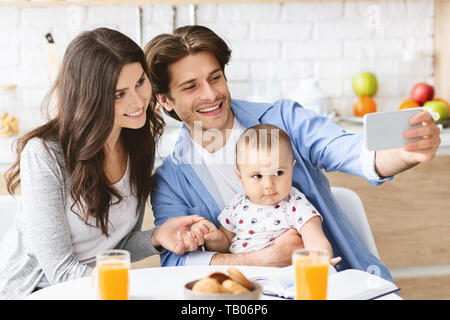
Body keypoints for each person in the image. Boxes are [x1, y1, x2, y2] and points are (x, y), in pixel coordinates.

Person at [144, 25, 441, 281]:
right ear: (165, 100)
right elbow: (178, 261)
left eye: (215, 77)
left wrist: (405, 153)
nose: (210, 94)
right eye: (191, 86)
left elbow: (346, 150)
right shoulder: (171, 179)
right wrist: (264, 259)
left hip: (324, 284)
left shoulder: (283, 120)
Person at [0, 28, 201, 300]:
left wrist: (156, 238)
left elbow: (113, 251)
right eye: (119, 94)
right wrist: (132, 291)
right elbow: (60, 271)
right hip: (38, 291)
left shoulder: (138, 143)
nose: (138, 101)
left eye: (140, 82)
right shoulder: (45, 154)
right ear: (88, 98)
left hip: (97, 289)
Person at [190, 124, 340, 266]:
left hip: (283, 275)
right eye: (257, 176)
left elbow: (314, 238)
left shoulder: (295, 203)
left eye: (278, 173)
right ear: (240, 176)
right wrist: (214, 237)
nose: (269, 185)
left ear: (291, 168)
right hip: (241, 273)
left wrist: (320, 259)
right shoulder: (237, 204)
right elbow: (226, 243)